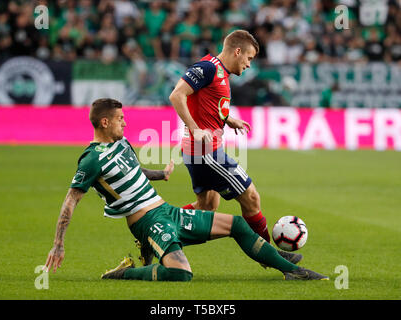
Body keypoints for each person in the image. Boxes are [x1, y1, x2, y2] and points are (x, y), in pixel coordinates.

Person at [43, 98, 328, 281]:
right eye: (120, 119)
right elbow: (71, 201)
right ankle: (125, 274)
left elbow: (134, 172)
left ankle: (292, 272)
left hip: (167, 211)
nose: (125, 122)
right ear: (104, 122)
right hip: (146, 223)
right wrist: (58, 243)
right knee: (181, 274)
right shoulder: (91, 158)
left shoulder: (122, 144)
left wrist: (161, 174)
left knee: (238, 225)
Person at [169, 29, 279, 251]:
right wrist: (195, 129)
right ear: (237, 51)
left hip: (198, 150)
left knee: (206, 206)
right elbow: (176, 95)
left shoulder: (218, 70)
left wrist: (227, 119)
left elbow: (205, 101)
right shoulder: (208, 68)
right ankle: (272, 255)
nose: (249, 65)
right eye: (248, 58)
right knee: (251, 198)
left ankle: (160, 228)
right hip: (207, 151)